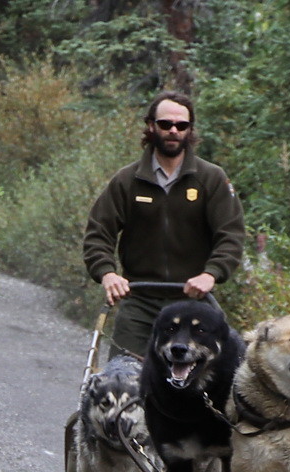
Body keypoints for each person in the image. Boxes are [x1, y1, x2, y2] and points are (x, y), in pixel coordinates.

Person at [82, 90, 246, 358]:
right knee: (123, 378)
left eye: (181, 125)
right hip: (139, 300)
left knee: (208, 378)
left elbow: (231, 235)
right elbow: (98, 233)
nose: (173, 130)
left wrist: (211, 273)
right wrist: (107, 273)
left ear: (190, 130)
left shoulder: (212, 179)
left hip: (193, 302)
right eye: (165, 124)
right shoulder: (127, 180)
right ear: (151, 126)